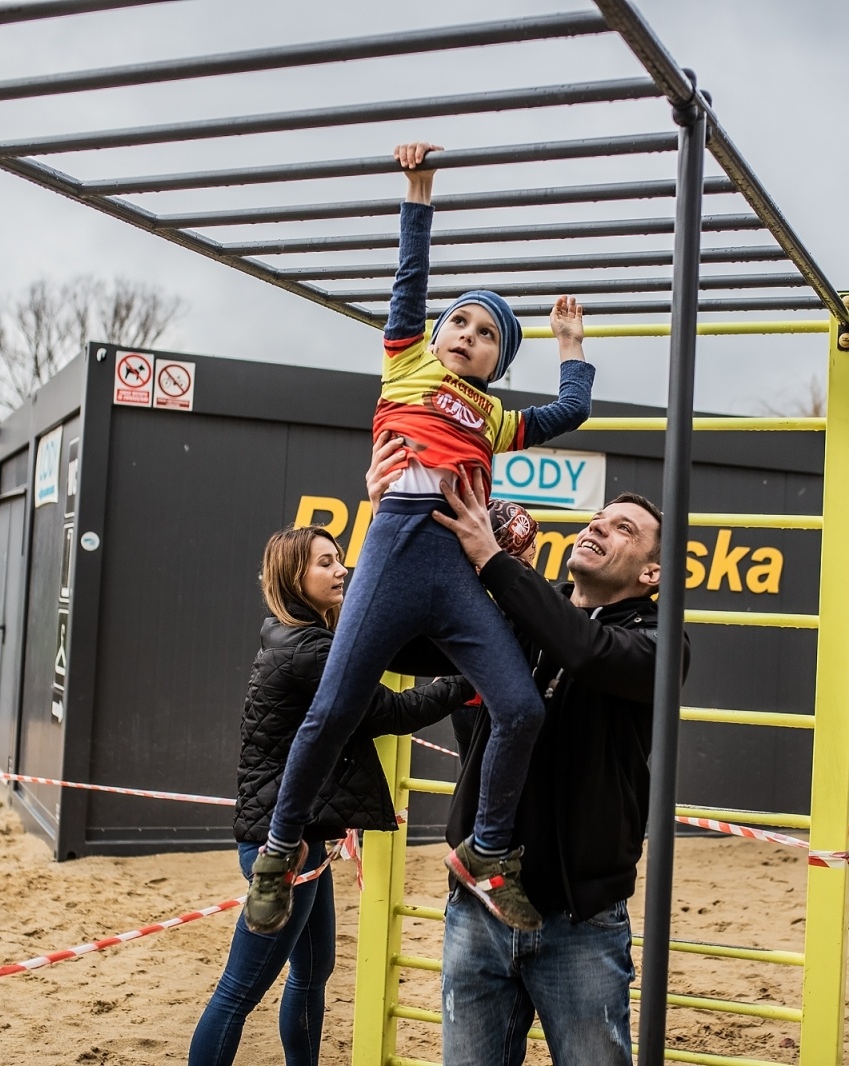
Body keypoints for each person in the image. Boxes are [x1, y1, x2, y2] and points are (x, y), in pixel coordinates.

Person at [247, 141, 595, 935]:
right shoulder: (405, 365)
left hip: (457, 572)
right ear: (434, 337)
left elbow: (571, 412)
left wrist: (570, 346)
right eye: (459, 323)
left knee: (520, 709)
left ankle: (486, 854)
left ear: (499, 361)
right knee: (331, 710)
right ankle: (277, 849)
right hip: (398, 551)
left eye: (485, 335)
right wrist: (419, 189)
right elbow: (409, 281)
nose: (467, 335)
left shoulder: (500, 419)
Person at [374, 437, 684, 1065]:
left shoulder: (660, 644)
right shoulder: (520, 613)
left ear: (653, 574)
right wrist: (391, 525)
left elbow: (586, 652)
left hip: (579, 922)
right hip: (478, 910)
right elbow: (403, 641)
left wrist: (493, 562)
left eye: (624, 529)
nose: (599, 525)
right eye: (598, 518)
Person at [188, 526, 472, 1066]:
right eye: (325, 562)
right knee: (238, 992)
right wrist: (470, 674)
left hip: (302, 839)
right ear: (295, 577)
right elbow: (390, 712)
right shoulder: (308, 650)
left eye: (339, 559)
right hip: (283, 846)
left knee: (313, 973)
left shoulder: (297, 636)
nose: (341, 569)